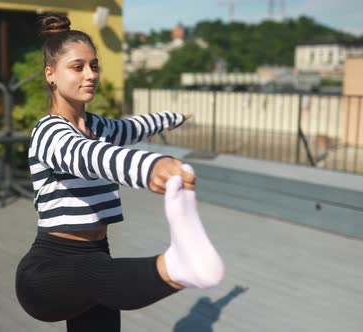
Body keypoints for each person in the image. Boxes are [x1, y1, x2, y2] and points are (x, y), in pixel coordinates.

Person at [15, 14, 224, 332]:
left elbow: (137, 126)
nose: (91, 75)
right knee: (100, 275)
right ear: (51, 75)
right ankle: (178, 266)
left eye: (94, 65)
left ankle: (180, 265)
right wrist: (150, 167)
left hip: (98, 256)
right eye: (77, 67)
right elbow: (90, 156)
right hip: (49, 270)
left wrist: (176, 116)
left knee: (102, 288)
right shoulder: (48, 132)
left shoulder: (100, 127)